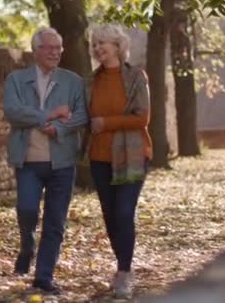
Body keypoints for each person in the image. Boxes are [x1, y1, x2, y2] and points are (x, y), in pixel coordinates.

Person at [3, 27, 88, 295]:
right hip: (28, 160)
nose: (55, 52)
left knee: (55, 221)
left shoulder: (73, 81)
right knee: (27, 210)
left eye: (58, 48)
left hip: (62, 162)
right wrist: (49, 115)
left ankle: (43, 277)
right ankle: (27, 244)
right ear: (35, 51)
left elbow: (80, 115)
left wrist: (59, 128)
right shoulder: (16, 80)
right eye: (49, 47)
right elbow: (12, 112)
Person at [85, 24, 152, 299]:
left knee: (124, 212)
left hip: (133, 154)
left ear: (118, 46)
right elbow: (83, 116)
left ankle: (124, 272)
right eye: (95, 44)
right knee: (111, 216)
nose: (98, 48)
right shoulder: (90, 80)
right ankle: (122, 266)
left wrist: (106, 123)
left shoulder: (136, 76)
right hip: (100, 157)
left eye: (104, 43)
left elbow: (142, 118)